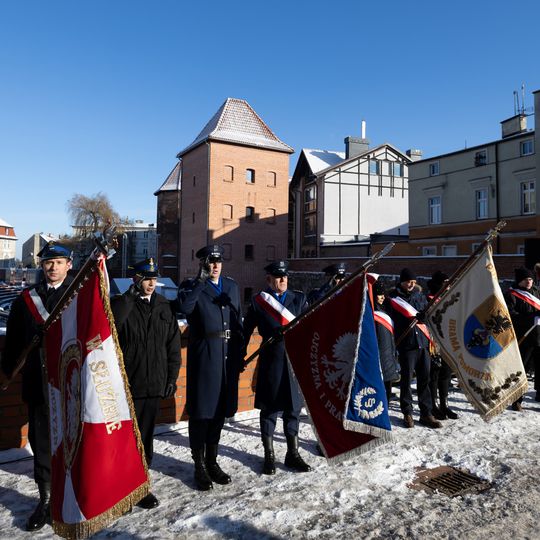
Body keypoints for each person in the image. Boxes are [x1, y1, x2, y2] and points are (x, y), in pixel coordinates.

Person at [1, 241, 74, 531]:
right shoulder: (26, 300)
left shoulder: (80, 296)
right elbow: (14, 342)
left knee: (73, 444)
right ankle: (46, 500)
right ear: (42, 265)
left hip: (71, 385)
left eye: (59, 262)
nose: (53, 267)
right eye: (48, 262)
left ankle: (73, 496)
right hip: (38, 383)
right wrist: (7, 372)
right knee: (42, 444)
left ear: (69, 265)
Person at [111, 258, 180, 508]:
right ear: (136, 279)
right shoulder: (123, 304)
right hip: (130, 383)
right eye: (146, 279)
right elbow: (111, 325)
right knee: (127, 438)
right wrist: (128, 299)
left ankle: (141, 486)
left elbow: (173, 345)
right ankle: (122, 487)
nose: (151, 283)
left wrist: (171, 377)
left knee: (146, 437)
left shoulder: (163, 305)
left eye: (154, 279)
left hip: (154, 383)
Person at [177, 245, 244, 491]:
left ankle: (212, 461)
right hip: (205, 355)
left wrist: (239, 354)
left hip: (227, 356)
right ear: (202, 264)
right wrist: (200, 282)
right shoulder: (190, 285)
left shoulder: (231, 286)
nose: (215, 266)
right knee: (202, 412)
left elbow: (238, 321)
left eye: (218, 261)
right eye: (210, 262)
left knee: (219, 411)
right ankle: (199, 465)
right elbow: (184, 309)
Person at [243, 260, 311, 475]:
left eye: (285, 276)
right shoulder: (259, 302)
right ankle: (269, 456)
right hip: (271, 363)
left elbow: (309, 328)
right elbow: (245, 332)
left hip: (293, 363)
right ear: (268, 279)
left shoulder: (299, 299)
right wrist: (238, 357)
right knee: (270, 410)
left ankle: (293, 454)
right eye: (278, 277)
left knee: (293, 410)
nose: (283, 280)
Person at [388, 268, 442, 429]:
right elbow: (392, 321)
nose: (411, 284)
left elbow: (428, 316)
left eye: (413, 282)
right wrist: (407, 321)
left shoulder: (420, 296)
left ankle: (426, 413)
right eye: (408, 281)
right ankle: (407, 412)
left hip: (423, 344)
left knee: (425, 380)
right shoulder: (393, 299)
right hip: (407, 345)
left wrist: (425, 317)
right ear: (401, 281)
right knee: (406, 381)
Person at [504, 266, 540, 411]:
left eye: (530, 279)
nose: (529, 282)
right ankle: (517, 399)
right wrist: (531, 318)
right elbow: (510, 315)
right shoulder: (511, 295)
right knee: (521, 369)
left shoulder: (536, 292)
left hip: (539, 336)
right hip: (523, 338)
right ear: (519, 280)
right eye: (526, 279)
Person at [426, 271, 458, 420]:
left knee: (445, 374)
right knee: (434, 375)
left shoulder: (450, 299)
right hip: (434, 342)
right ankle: (433, 405)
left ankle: (444, 404)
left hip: (448, 341)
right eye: (445, 283)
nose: (448, 285)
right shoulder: (428, 299)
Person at [373, 280, 400, 402]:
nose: (383, 297)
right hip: (377, 358)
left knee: (387, 393)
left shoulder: (386, 310)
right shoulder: (370, 312)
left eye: (384, 294)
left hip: (388, 356)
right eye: (380, 294)